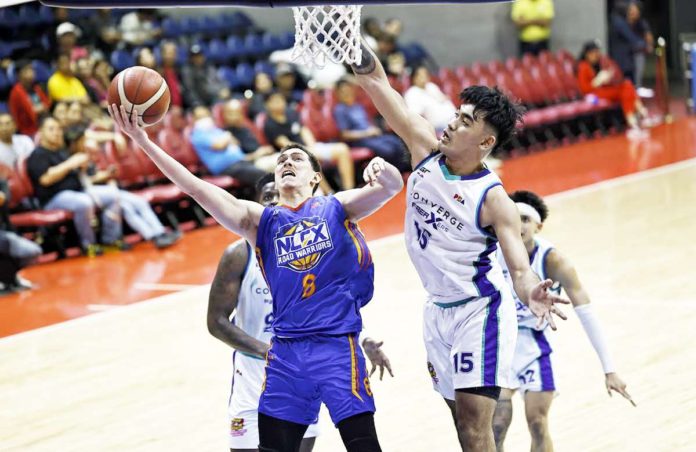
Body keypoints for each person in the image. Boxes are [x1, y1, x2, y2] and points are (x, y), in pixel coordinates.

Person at [110, 98, 404, 451]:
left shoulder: (337, 207)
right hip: (286, 354)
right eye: (281, 161)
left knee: (364, 446)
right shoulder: (260, 222)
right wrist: (143, 141)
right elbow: (194, 187)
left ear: (315, 177)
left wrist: (380, 168)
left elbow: (390, 188)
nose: (286, 162)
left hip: (336, 346)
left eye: (296, 158)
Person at [350, 40, 568, 451]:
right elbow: (378, 81)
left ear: (485, 142)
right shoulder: (424, 148)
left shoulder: (494, 199)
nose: (451, 124)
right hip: (437, 309)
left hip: (478, 311)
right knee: (460, 423)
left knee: (474, 424)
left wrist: (532, 291)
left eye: (465, 121)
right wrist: (357, 52)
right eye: (456, 114)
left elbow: (519, 269)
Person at [207, 173, 394, 451]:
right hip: (257, 372)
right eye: (267, 198)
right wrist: (267, 350)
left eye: (277, 197)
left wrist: (364, 340)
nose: (273, 203)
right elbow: (217, 322)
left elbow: (333, 309)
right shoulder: (239, 255)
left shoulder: (316, 252)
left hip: (301, 369)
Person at [492, 190, 634, 452]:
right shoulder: (492, 251)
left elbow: (587, 313)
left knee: (537, 423)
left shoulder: (554, 261)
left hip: (535, 347)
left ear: (539, 225)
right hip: (500, 345)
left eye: (526, 219)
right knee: (497, 425)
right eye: (515, 217)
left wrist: (609, 369)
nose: (520, 224)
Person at [63, 124, 180, 250]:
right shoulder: (70, 159)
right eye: (83, 141)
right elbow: (84, 183)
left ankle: (160, 232)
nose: (87, 143)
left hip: (107, 192)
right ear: (75, 143)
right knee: (127, 207)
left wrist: (106, 174)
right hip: (91, 195)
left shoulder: (86, 155)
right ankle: (154, 236)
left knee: (139, 202)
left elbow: (93, 176)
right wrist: (104, 175)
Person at [264, 91, 355, 192]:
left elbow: (304, 130)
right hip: (293, 154)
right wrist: (306, 150)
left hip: (309, 147)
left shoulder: (291, 113)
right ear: (267, 104)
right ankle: (329, 194)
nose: (280, 103)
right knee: (310, 159)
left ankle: (348, 190)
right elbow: (285, 144)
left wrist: (311, 145)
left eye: (281, 99)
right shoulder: (269, 124)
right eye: (275, 101)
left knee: (342, 149)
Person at [334, 79, 409, 171]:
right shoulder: (340, 110)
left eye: (348, 90)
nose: (347, 93)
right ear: (338, 94)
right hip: (360, 140)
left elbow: (367, 123)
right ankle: (396, 174)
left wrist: (373, 129)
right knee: (388, 150)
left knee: (398, 143)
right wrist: (366, 133)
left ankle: (406, 171)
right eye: (343, 91)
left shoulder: (358, 106)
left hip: (372, 136)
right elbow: (344, 135)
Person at [577, 41, 647, 138]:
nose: (596, 55)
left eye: (597, 52)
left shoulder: (601, 62)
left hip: (604, 89)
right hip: (594, 94)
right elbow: (585, 89)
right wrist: (597, 81)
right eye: (593, 53)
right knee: (626, 87)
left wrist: (609, 78)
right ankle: (638, 114)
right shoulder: (583, 66)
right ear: (587, 54)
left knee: (626, 86)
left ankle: (633, 122)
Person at [189, 106, 267, 191]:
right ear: (193, 119)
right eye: (200, 117)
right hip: (226, 167)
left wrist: (227, 138)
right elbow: (219, 145)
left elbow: (235, 142)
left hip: (241, 162)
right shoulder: (198, 135)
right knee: (261, 175)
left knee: (265, 169)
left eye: (206, 115)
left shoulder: (215, 130)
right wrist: (227, 137)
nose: (205, 119)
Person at [0, 165, 42, 293]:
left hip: (3, 233)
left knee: (32, 251)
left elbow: (2, 199)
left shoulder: (2, 183)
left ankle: (9, 278)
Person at [221, 99, 278, 172]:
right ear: (224, 115)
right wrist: (256, 154)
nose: (235, 117)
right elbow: (237, 160)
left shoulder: (245, 128)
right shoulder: (226, 135)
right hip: (252, 164)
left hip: (264, 157)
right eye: (231, 113)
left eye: (238, 113)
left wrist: (265, 150)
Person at [404, 66, 457, 132]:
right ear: (414, 78)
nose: (424, 77)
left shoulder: (431, 86)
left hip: (454, 118)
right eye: (420, 75)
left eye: (425, 74)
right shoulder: (411, 93)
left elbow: (443, 99)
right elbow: (415, 116)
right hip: (439, 126)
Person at [8, 60, 51, 136]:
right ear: (19, 75)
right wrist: (38, 109)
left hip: (41, 125)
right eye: (26, 70)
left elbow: (47, 103)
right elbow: (29, 111)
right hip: (27, 130)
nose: (31, 73)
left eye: (31, 69)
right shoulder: (16, 91)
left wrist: (40, 108)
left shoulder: (35, 87)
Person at [181, 44, 231, 108]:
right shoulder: (188, 71)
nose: (197, 58)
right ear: (190, 58)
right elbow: (191, 91)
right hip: (205, 101)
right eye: (195, 56)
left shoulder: (209, 66)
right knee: (221, 105)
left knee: (239, 99)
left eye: (199, 55)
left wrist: (225, 89)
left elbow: (220, 80)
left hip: (218, 95)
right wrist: (197, 104)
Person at [158, 41, 184, 109]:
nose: (169, 56)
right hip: (165, 110)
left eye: (172, 53)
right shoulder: (158, 72)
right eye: (167, 53)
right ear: (162, 54)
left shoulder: (181, 70)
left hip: (183, 109)